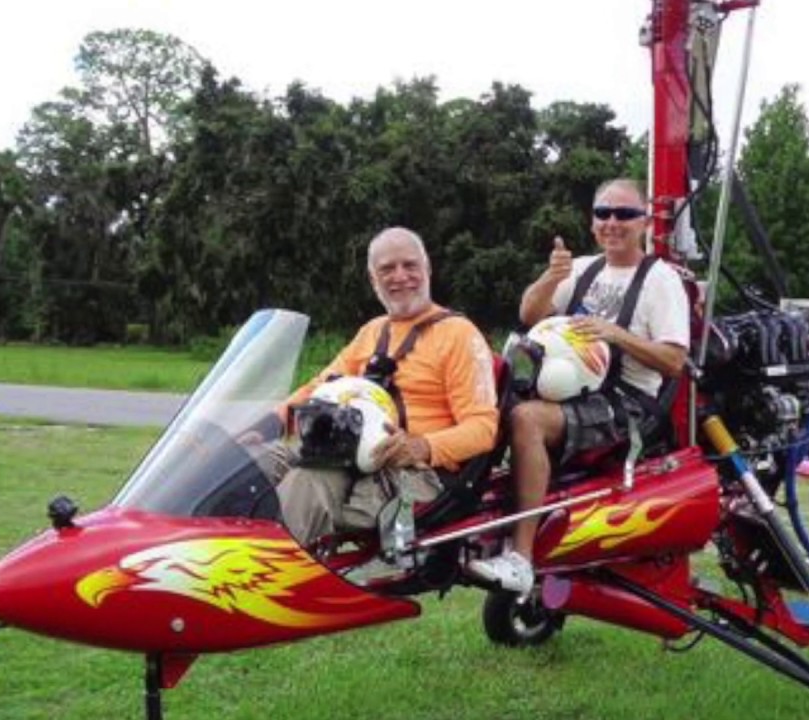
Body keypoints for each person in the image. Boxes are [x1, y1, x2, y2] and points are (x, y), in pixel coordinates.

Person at [466, 179, 691, 592]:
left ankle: (520, 558)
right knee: (491, 392)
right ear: (592, 222)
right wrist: (552, 278)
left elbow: (675, 362)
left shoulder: (661, 280)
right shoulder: (585, 268)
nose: (612, 222)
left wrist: (615, 334)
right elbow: (530, 313)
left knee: (528, 420)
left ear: (644, 222)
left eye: (624, 214)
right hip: (574, 386)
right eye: (603, 213)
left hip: (630, 402)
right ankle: (453, 509)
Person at [275, 227, 499, 548]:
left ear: (428, 269)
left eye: (410, 265)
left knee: (307, 481)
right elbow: (320, 385)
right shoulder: (373, 331)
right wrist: (266, 422)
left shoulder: (460, 335)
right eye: (387, 269)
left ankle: (269, 581)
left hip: (413, 471)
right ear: (373, 279)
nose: (400, 276)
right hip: (346, 452)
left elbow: (483, 428)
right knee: (254, 463)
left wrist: (421, 446)